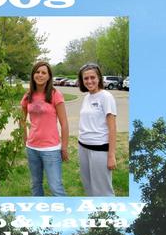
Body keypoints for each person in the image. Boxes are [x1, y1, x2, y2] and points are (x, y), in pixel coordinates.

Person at [21, 61, 69, 196]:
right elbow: (21, 120)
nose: (40, 75)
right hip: (32, 148)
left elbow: (64, 123)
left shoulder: (55, 95)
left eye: (44, 73)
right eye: (37, 72)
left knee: (56, 187)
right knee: (35, 185)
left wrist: (64, 147)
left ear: (49, 76)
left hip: (51, 150)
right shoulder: (28, 95)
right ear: (33, 75)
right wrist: (25, 139)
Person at [77, 63, 117, 196]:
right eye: (85, 78)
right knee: (88, 187)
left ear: (99, 78)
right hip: (83, 147)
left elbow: (112, 128)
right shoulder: (86, 97)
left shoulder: (106, 97)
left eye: (92, 77)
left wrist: (111, 156)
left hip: (99, 150)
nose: (89, 81)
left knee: (103, 192)